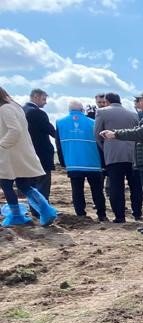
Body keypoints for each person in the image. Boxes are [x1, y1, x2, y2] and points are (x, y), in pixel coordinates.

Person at [100, 90, 143, 235]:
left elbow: (139, 133)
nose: (136, 103)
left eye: (139, 100)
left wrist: (115, 134)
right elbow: (137, 130)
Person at [0, 86, 58, 227]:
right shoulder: (15, 107)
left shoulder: (4, 109)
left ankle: (17, 216)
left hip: (8, 154)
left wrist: (1, 145)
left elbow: (14, 131)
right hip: (21, 153)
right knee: (23, 184)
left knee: (6, 184)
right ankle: (45, 210)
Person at [94, 93, 143, 223]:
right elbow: (138, 133)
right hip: (132, 154)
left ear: (107, 101)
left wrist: (105, 149)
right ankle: (137, 213)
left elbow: (97, 135)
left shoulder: (101, 112)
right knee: (136, 186)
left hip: (113, 154)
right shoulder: (133, 114)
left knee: (116, 186)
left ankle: (120, 216)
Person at [55, 100, 107, 220]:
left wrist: (63, 162)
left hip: (73, 162)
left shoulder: (60, 122)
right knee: (97, 190)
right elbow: (100, 143)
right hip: (93, 162)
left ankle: (80, 214)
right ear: (82, 110)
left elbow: (58, 144)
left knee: (77, 190)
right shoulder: (92, 123)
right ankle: (101, 214)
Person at [22, 88, 56, 201]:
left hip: (25, 153)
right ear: (35, 97)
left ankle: (34, 208)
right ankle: (42, 209)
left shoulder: (21, 110)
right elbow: (51, 131)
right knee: (43, 184)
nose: (45, 102)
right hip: (41, 153)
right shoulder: (37, 112)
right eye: (44, 99)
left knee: (30, 183)